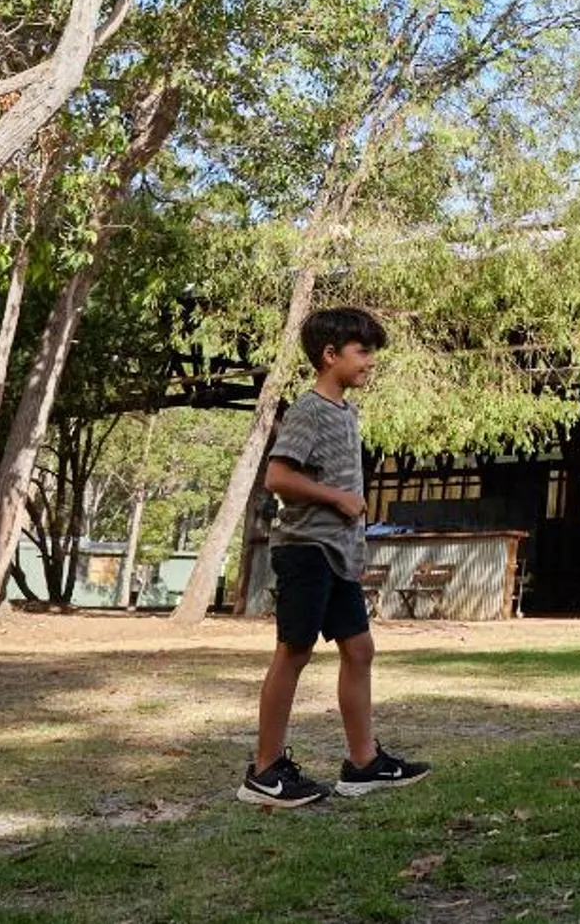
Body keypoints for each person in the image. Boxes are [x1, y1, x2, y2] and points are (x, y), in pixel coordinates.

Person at [242, 306, 433, 808]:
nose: (370, 362)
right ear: (330, 356)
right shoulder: (309, 410)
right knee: (294, 652)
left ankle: (363, 764)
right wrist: (337, 498)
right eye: (362, 352)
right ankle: (264, 772)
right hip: (306, 551)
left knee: (360, 650)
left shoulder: (346, 411)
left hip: (338, 555)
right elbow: (278, 478)